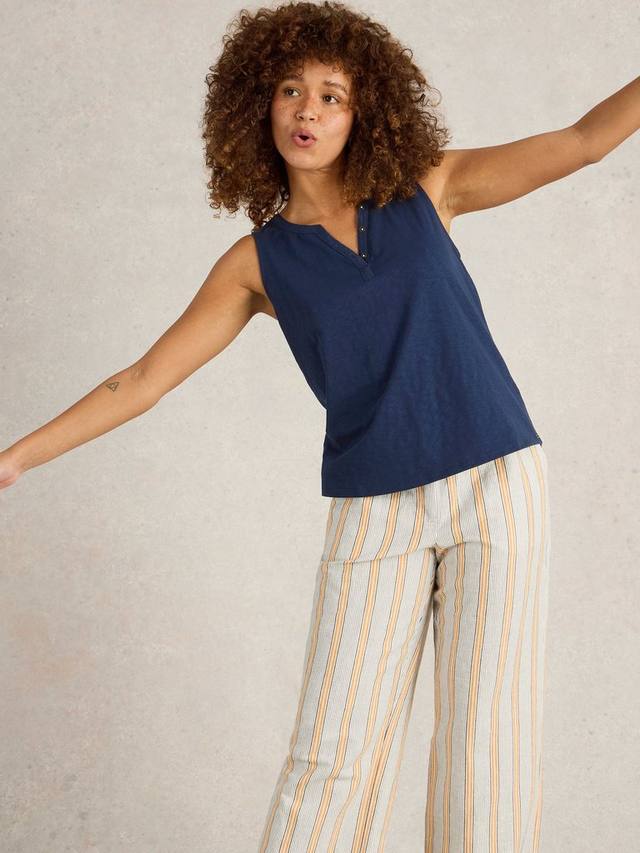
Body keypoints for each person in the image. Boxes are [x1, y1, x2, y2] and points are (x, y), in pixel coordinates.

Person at [1, 2, 638, 850]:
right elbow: (143, 379)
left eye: (333, 95)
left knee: (489, 747)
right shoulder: (256, 262)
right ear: (258, 108)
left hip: (496, 480)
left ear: (364, 111)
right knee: (330, 758)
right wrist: (15, 457)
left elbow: (585, 140)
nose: (309, 110)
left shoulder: (430, 188)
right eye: (291, 90)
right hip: (373, 509)